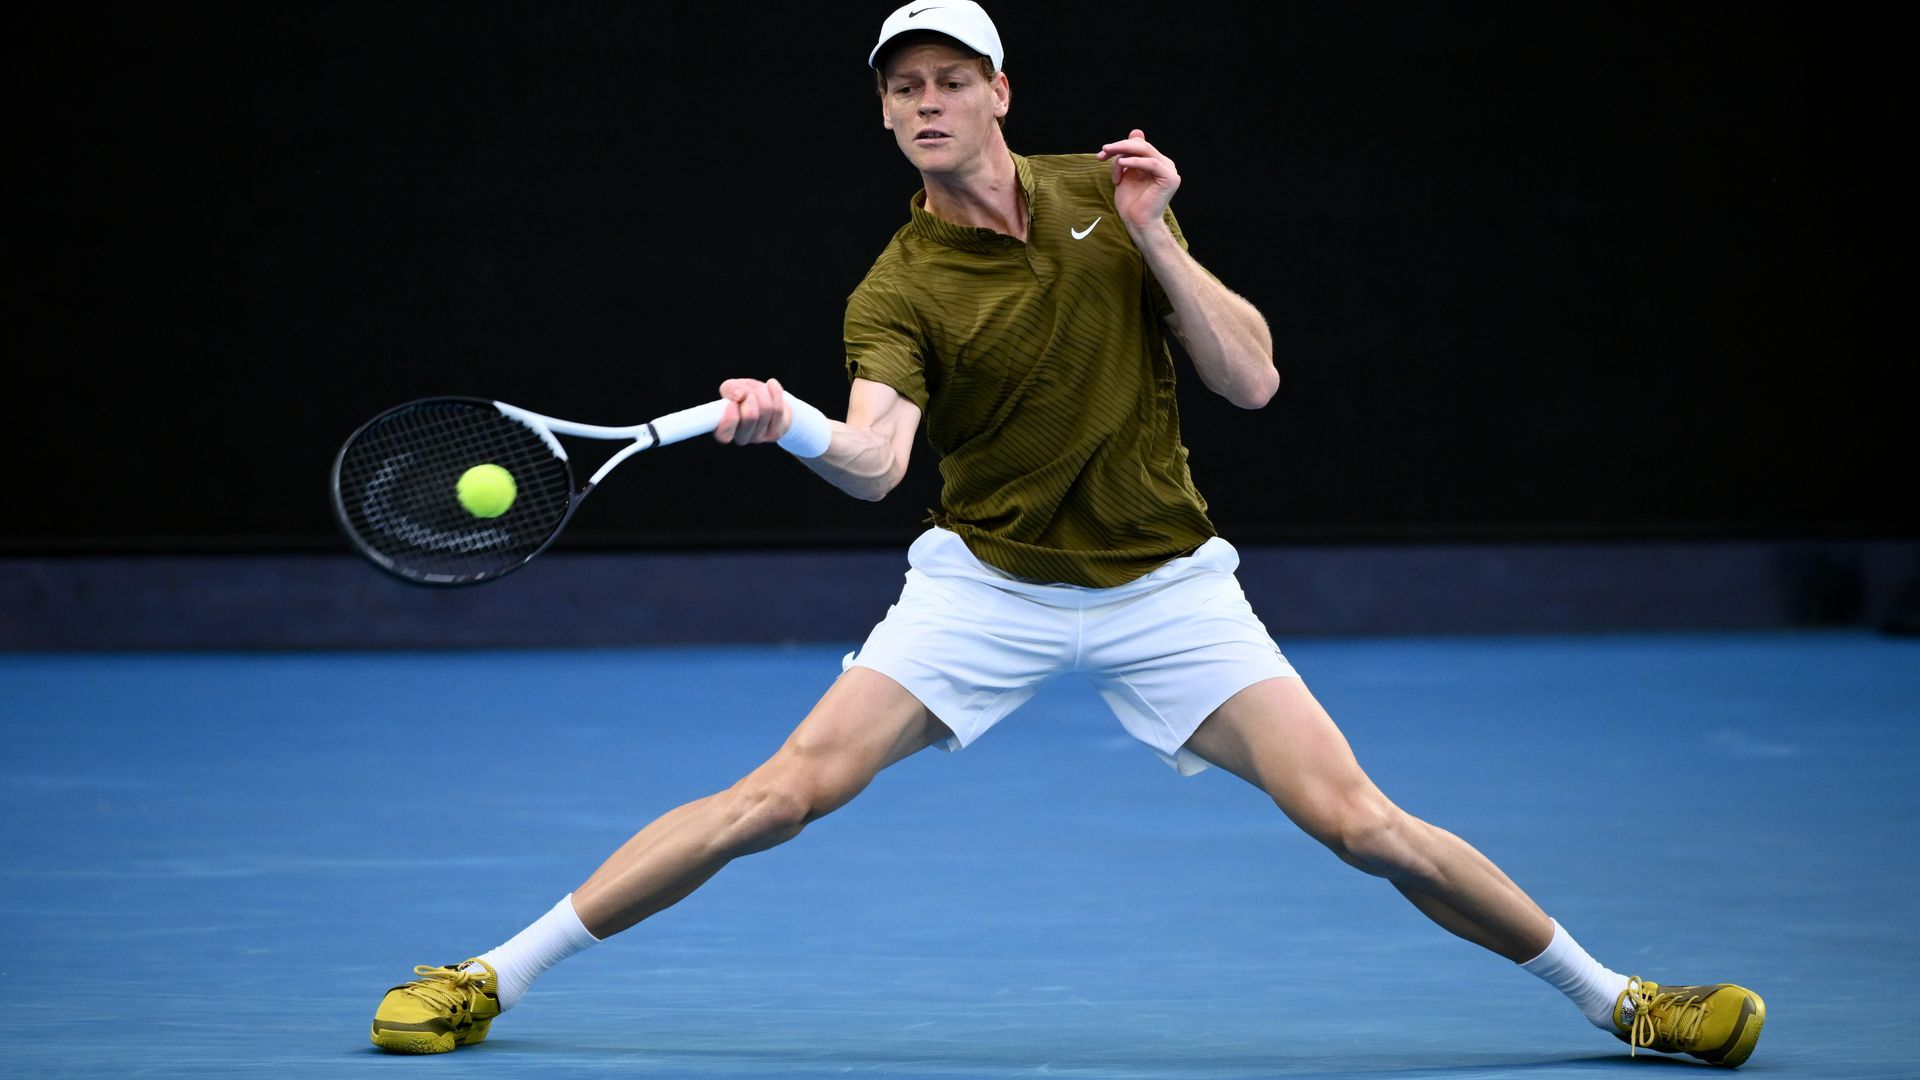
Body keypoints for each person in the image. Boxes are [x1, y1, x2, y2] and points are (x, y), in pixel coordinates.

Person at [369, 1, 1766, 1066]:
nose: (926, 104)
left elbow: (1253, 378)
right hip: (985, 586)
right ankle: (491, 974)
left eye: (948, 82)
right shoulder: (897, 287)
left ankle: (1625, 1002)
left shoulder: (1108, 192)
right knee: (778, 796)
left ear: (998, 95)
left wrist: (1157, 234)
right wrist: (790, 422)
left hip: (1169, 587)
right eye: (901, 89)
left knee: (1366, 826)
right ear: (886, 116)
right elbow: (877, 465)